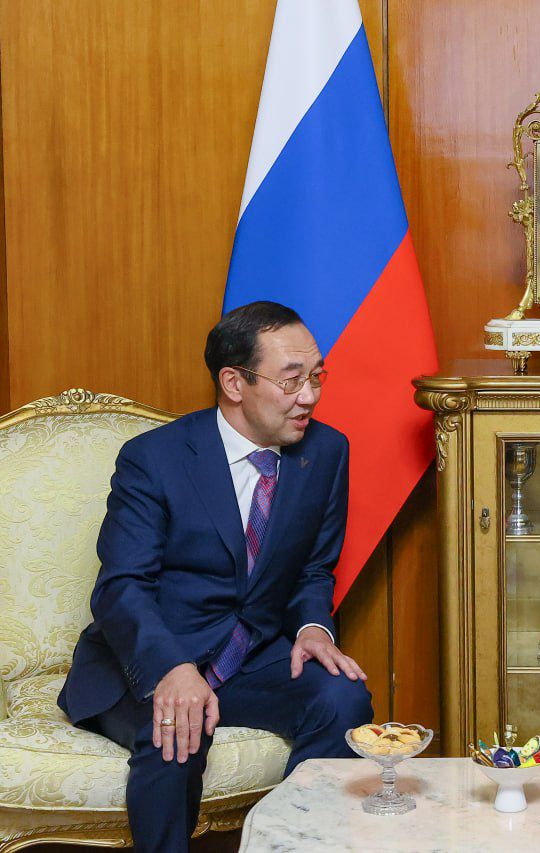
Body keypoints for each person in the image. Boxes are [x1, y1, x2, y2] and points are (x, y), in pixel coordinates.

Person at [58, 301, 374, 853]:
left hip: (250, 655)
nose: (309, 396)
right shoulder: (154, 459)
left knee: (343, 699)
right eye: (291, 380)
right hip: (152, 653)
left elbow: (313, 569)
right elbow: (121, 587)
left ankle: (296, 843)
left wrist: (312, 628)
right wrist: (170, 668)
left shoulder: (326, 452)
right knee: (176, 731)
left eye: (316, 376)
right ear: (234, 383)